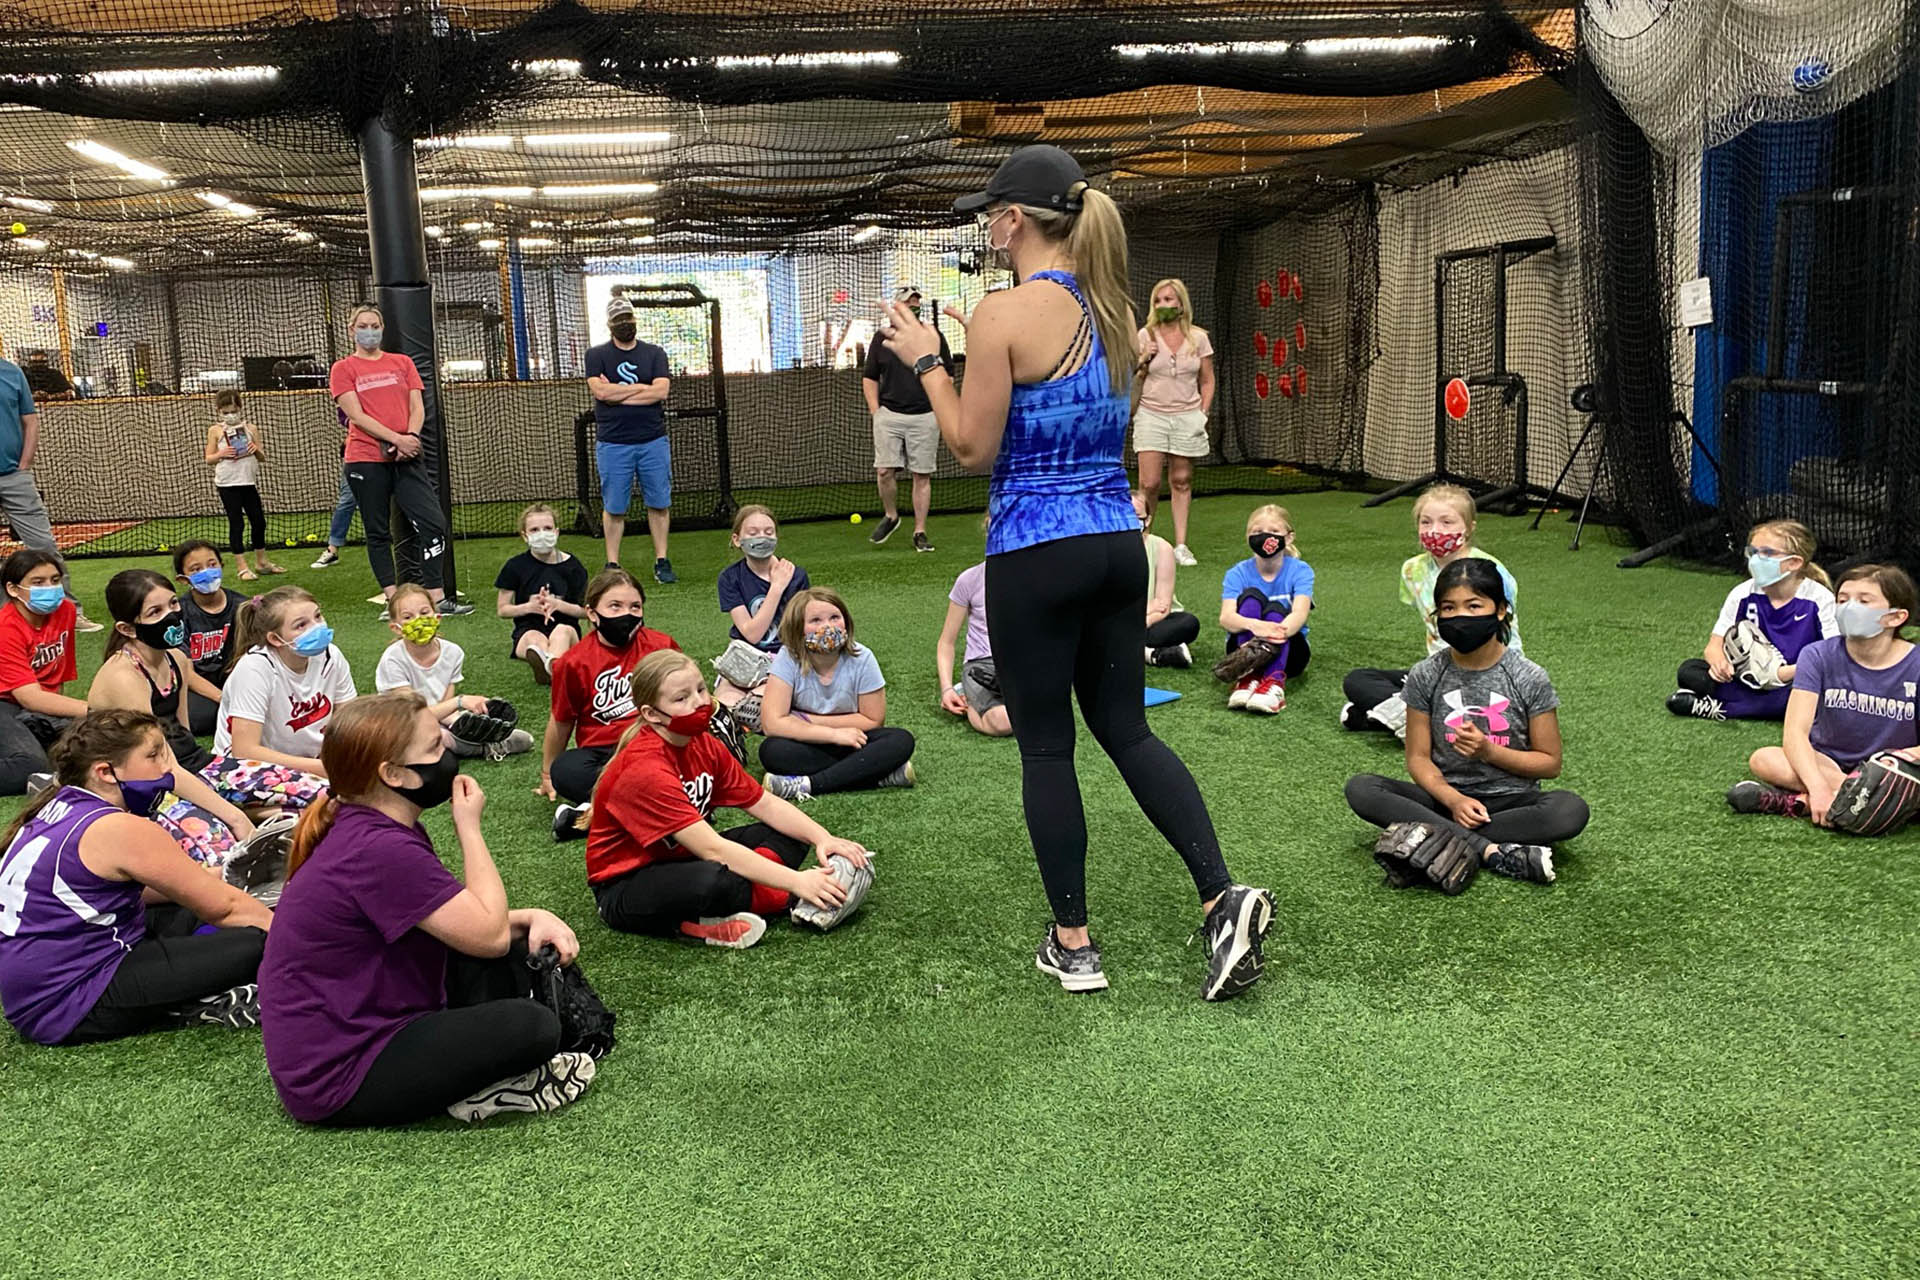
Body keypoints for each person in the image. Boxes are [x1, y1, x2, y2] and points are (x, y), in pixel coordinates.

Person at [881, 143, 1273, 1000]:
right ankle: (1220, 896)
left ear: (1015, 220)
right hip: (1115, 547)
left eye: (992, 212)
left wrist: (925, 360)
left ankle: (1075, 945)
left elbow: (970, 446)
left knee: (1048, 750)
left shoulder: (1003, 313)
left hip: (1034, 549)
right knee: (1127, 731)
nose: (988, 224)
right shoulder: (1114, 308)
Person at [261, 693, 597, 1126]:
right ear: (394, 774)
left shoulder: (369, 824)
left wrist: (530, 917)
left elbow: (443, 917)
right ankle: (487, 1092)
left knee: (522, 956)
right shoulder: (378, 847)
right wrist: (469, 828)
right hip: (341, 1075)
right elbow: (490, 936)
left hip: (358, 1027)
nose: (446, 750)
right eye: (434, 747)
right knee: (531, 1026)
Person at [0, 710, 271, 1046]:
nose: (167, 768)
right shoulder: (119, 828)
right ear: (105, 772)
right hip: (73, 1001)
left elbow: (115, 893)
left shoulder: (59, 807)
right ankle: (200, 1002)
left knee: (190, 908)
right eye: (154, 755)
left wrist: (217, 878)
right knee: (260, 941)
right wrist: (295, 931)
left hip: (39, 992)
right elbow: (225, 908)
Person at [587, 650, 873, 948]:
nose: (699, 702)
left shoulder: (703, 744)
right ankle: (781, 902)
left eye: (700, 689)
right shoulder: (644, 768)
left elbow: (764, 802)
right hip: (624, 885)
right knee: (714, 879)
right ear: (651, 714)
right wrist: (797, 882)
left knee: (785, 834)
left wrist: (823, 838)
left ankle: (747, 900)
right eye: (681, 699)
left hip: (682, 856)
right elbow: (714, 849)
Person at [1343, 558, 1588, 886]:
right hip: (1443, 799)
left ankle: (1432, 839)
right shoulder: (1426, 674)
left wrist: (1489, 752)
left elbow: (1550, 763)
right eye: (1449, 608)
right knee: (1362, 788)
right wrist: (1453, 799)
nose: (1460, 617)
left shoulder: (1528, 677)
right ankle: (1491, 852)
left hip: (1509, 804)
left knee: (1569, 810)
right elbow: (1417, 757)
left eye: (1474, 606)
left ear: (1500, 610)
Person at [88, 569, 325, 868]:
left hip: (193, 766)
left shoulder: (176, 658)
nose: (172, 615)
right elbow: (160, 767)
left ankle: (251, 814)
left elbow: (183, 735)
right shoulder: (124, 677)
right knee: (226, 855)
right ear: (128, 628)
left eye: (174, 604)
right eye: (155, 612)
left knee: (318, 792)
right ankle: (239, 819)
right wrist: (233, 816)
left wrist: (222, 797)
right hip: (145, 786)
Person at [1727, 564, 1920, 824]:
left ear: (1896, 617)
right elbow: (1795, 733)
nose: (1849, 607)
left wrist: (1891, 766)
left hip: (1896, 769)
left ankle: (1799, 803)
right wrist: (1817, 787)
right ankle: (1865, 801)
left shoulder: (1916, 663)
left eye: (1864, 601)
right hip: (1828, 763)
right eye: (1843, 600)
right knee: (1764, 759)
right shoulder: (1817, 655)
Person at [1342, 484, 1523, 735]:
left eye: (1447, 522)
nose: (1435, 530)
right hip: (1439, 670)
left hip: (1489, 673)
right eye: (1426, 522)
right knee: (1358, 680)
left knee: (1490, 712)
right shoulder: (1412, 570)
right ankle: (1413, 717)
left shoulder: (1491, 571)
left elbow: (1507, 634)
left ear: (1469, 527)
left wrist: (1506, 680)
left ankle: (1399, 717)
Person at [329, 303, 470, 616]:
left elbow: (417, 406)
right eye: (362, 325)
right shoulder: (343, 369)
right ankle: (393, 602)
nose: (369, 331)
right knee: (378, 531)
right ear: (352, 331)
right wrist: (394, 439)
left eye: (374, 325)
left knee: (434, 523)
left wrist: (411, 439)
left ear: (383, 328)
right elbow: (355, 415)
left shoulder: (402, 362)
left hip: (407, 456)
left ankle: (436, 598)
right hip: (365, 459)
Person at [540, 568, 681, 817]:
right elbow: (561, 721)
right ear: (592, 613)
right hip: (604, 754)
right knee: (566, 770)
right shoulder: (573, 662)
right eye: (615, 606)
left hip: (656, 742)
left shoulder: (662, 646)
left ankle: (604, 809)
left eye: (635, 607)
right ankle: (653, 800)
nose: (627, 614)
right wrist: (547, 773)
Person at [1669, 519, 1836, 722]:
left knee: (1816, 692)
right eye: (1753, 552)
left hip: (1795, 677)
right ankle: (1772, 708)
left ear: (1794, 563)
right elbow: (1714, 645)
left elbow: (1832, 657)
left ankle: (1720, 708)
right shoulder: (1742, 593)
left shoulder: (1819, 599)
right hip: (1747, 678)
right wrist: (1719, 664)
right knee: (1690, 671)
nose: (1756, 560)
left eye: (1767, 553)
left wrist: (1777, 673)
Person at [759, 587, 917, 800]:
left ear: (846, 621)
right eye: (815, 620)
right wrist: (833, 734)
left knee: (900, 740)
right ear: (798, 629)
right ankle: (877, 775)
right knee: (772, 751)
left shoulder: (863, 658)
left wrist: (805, 720)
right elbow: (772, 723)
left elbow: (873, 720)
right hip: (810, 743)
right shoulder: (788, 658)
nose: (827, 626)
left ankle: (809, 785)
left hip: (855, 741)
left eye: (835, 617)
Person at [0, 355, 100, 635]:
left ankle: (69, 612)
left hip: (13, 477)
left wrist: (24, 465)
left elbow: (29, 421)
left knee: (43, 546)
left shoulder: (11, 372)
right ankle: (5, 618)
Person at [376, 583, 532, 759]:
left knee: (448, 731)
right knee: (432, 737)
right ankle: (488, 748)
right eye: (408, 617)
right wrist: (461, 702)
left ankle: (475, 740)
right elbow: (415, 715)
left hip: (437, 719)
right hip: (403, 725)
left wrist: (461, 721)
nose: (418, 620)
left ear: (437, 617)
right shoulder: (393, 659)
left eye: (424, 613)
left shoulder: (453, 653)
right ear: (396, 628)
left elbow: (444, 704)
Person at [216, 586, 358, 777]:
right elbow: (244, 750)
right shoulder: (255, 668)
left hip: (311, 761)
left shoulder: (331, 655)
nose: (317, 627)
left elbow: (348, 718)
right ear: (275, 639)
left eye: (318, 616)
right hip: (249, 768)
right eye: (301, 625)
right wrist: (323, 769)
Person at [584, 296, 675, 584]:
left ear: (634, 320)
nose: (625, 324)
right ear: (610, 325)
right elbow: (601, 394)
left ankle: (662, 560)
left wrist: (619, 393)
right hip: (613, 443)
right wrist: (639, 388)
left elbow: (660, 392)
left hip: (652, 441)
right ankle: (612, 563)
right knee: (614, 507)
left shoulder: (655, 353)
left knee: (659, 503)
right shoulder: (596, 355)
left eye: (628, 319)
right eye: (619, 321)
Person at [1130, 278, 1213, 565]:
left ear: (1181, 303)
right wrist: (1144, 357)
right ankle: (1145, 542)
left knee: (1181, 479)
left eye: (1169, 300)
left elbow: (1207, 379)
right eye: (1158, 301)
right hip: (1151, 413)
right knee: (1149, 482)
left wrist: (1203, 412)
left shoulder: (1198, 337)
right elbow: (1132, 372)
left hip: (1187, 416)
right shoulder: (1145, 335)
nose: (1163, 305)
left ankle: (1181, 546)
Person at [862, 286, 951, 553]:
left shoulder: (932, 335)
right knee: (884, 471)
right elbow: (870, 377)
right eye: (908, 302)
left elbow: (947, 374)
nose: (914, 306)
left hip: (925, 415)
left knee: (921, 475)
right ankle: (891, 516)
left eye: (916, 302)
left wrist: (941, 407)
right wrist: (876, 411)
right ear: (897, 307)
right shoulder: (882, 338)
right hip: (889, 414)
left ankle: (920, 531)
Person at [712, 504, 810, 728]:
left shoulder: (796, 576)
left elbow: (798, 631)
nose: (762, 538)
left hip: (784, 658)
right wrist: (776, 588)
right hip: (744, 657)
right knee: (723, 705)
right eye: (753, 533)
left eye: (768, 532)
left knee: (759, 701)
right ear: (737, 539)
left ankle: (766, 707)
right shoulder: (729, 578)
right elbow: (752, 634)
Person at [0, 548, 85, 795]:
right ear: (13, 589)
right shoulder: (6, 628)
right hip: (6, 703)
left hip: (34, 705)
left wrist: (61, 721)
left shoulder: (66, 611)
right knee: (29, 765)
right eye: (38, 582)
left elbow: (57, 674)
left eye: (55, 580)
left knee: (91, 744)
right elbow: (30, 697)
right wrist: (93, 709)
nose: (50, 588)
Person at [1215, 504, 1313, 714]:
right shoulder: (1237, 573)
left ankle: (1274, 683)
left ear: (1288, 537)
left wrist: (1276, 631)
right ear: (1248, 537)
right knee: (1251, 596)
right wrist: (1257, 626)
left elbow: (1300, 613)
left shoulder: (1300, 570)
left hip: (1291, 652)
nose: (1265, 537)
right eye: (1257, 532)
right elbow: (1226, 617)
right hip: (1242, 649)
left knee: (1277, 609)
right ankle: (1247, 678)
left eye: (1274, 532)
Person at [495, 502, 588, 686]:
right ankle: (550, 666)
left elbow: (587, 611)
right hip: (527, 629)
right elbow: (502, 610)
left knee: (562, 633)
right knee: (533, 639)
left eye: (547, 528)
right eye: (535, 530)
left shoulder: (573, 566)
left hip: (567, 628)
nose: (542, 534)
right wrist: (530, 607)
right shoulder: (515, 566)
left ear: (557, 532)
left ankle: (551, 667)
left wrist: (558, 605)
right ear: (525, 535)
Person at [202, 389, 284, 581]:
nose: (230, 415)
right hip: (227, 483)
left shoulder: (251, 428)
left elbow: (262, 457)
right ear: (219, 411)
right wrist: (222, 454)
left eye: (233, 410)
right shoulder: (215, 430)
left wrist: (255, 450)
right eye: (225, 412)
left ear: (239, 408)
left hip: (248, 481)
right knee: (236, 523)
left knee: (258, 521)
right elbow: (209, 458)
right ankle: (242, 567)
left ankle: (262, 562)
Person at [173, 540, 246, 737]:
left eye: (212, 564)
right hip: (197, 685)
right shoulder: (179, 613)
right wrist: (223, 698)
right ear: (183, 579)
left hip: (234, 679)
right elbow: (186, 673)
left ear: (222, 565)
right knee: (200, 717)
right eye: (196, 569)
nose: (207, 572)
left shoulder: (243, 606)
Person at [937, 552, 1013, 737]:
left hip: (1021, 664)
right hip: (981, 666)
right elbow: (946, 643)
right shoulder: (970, 579)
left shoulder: (1035, 577)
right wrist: (946, 689)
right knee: (1003, 722)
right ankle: (970, 699)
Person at [1135, 491, 1197, 669]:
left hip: (1153, 620)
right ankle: (1150, 654)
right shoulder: (1109, 548)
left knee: (1188, 623)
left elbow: (1163, 605)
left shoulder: (1161, 547)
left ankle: (1128, 646)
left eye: (1137, 516)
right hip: (1124, 621)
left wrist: (1138, 621)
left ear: (1147, 520)